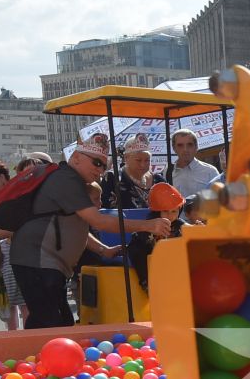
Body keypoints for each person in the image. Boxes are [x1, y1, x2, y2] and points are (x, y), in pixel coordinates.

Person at [10, 140, 170, 330]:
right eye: (96, 162)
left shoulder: (74, 181)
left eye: (104, 164)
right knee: (50, 322)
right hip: (37, 260)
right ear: (76, 158)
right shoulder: (66, 180)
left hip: (47, 263)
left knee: (59, 321)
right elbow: (98, 221)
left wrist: (103, 250)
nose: (101, 169)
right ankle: (33, 358)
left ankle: (37, 357)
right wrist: (147, 225)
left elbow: (77, 227)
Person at [168, 129, 220, 201]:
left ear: (196, 147)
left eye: (190, 145)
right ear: (174, 148)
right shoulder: (168, 172)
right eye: (180, 145)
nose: (185, 149)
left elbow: (218, 202)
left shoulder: (210, 172)